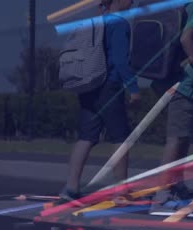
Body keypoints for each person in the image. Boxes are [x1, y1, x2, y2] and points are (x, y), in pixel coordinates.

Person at [59, 0, 140, 202]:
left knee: (86, 137)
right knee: (120, 138)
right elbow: (121, 61)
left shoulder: (94, 23)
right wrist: (133, 88)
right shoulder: (119, 24)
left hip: (88, 85)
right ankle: (121, 191)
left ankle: (70, 187)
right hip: (109, 85)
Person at [150, 1, 193, 210]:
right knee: (176, 138)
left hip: (162, 78)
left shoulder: (174, 5)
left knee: (182, 136)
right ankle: (162, 194)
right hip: (181, 81)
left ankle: (176, 184)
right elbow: (187, 38)